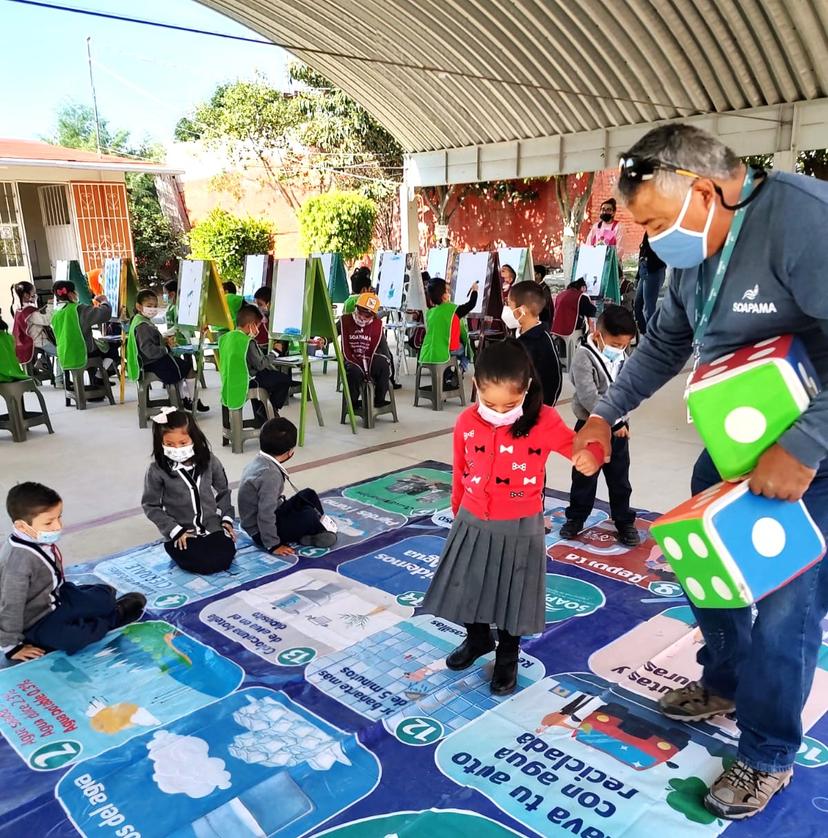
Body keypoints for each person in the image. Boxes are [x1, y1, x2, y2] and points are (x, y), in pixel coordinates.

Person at [574, 123, 828, 819]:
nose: (651, 239)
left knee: (786, 601)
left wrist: (806, 444)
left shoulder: (805, 221)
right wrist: (606, 412)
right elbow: (665, 342)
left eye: (654, 221)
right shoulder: (690, 249)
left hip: (814, 451)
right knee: (700, 554)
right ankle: (724, 678)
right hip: (739, 441)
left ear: (706, 189)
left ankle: (769, 751)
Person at [422, 340, 599, 695]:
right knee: (469, 585)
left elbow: (578, 446)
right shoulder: (466, 422)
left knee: (512, 595)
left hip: (520, 525)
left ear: (527, 390)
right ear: (476, 387)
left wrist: (589, 455)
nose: (499, 411)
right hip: (472, 518)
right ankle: (477, 640)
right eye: (489, 403)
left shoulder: (544, 419)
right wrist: (459, 511)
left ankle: (507, 655)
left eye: (510, 404)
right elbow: (460, 469)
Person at [0, 482, 146, 660]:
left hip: (59, 596)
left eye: (58, 517)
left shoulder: (34, 538)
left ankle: (103, 603)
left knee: (103, 598)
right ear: (22, 527)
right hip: (36, 621)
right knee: (72, 638)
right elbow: (10, 605)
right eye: (48, 522)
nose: (57, 526)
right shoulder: (17, 561)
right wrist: (11, 646)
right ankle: (115, 615)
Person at [561, 305, 638, 547]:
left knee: (619, 478)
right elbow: (588, 396)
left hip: (619, 430)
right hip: (589, 427)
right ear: (598, 334)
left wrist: (621, 422)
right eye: (615, 344)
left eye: (624, 345)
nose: (620, 349)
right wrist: (614, 422)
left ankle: (624, 520)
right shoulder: (584, 356)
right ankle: (576, 518)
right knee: (584, 476)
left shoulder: (624, 356)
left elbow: (627, 390)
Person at [141, 409, 236, 574]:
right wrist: (175, 531)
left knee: (224, 557)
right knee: (202, 562)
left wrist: (226, 519)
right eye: (169, 444)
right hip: (182, 533)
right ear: (160, 443)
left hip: (211, 526)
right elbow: (150, 506)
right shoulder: (156, 470)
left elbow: (223, 491)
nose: (177, 448)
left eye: (183, 443)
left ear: (194, 438)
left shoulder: (210, 461)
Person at [238, 417, 337, 554]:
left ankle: (318, 525)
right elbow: (265, 514)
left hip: (272, 513)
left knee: (308, 494)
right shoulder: (270, 475)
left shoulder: (261, 460)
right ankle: (314, 533)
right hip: (260, 531)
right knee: (307, 515)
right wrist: (273, 545)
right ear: (288, 452)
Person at [126, 289, 208, 412]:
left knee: (181, 367)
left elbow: (149, 341)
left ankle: (183, 398)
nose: (153, 309)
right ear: (138, 306)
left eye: (155, 306)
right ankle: (192, 400)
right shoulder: (143, 325)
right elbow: (149, 350)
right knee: (189, 370)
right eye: (149, 306)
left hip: (150, 362)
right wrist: (166, 348)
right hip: (154, 362)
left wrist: (163, 340)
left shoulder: (138, 320)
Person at [223, 305, 292, 426]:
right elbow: (260, 364)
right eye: (258, 326)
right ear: (251, 325)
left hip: (232, 379)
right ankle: (268, 410)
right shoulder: (247, 341)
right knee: (284, 379)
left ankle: (263, 408)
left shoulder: (228, 338)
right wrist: (275, 352)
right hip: (250, 379)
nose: (258, 330)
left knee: (272, 379)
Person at [503, 280, 562, 405]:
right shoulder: (516, 336)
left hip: (533, 412)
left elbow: (554, 383)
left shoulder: (543, 342)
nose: (506, 310)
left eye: (509, 306)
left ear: (522, 310)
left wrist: (541, 413)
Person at [50, 279, 120, 379]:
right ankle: (100, 376)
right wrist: (104, 301)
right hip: (83, 351)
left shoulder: (56, 312)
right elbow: (104, 314)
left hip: (64, 352)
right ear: (71, 294)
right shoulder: (77, 309)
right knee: (112, 348)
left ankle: (95, 380)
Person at [420, 277, 477, 384]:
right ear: (444, 296)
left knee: (445, 357)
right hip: (449, 348)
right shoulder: (453, 310)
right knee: (467, 352)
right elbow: (471, 304)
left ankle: (448, 376)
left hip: (429, 352)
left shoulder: (430, 313)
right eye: (447, 290)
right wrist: (475, 291)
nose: (449, 292)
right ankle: (460, 370)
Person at [340, 292, 392, 409]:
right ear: (355, 309)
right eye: (360, 313)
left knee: (383, 364)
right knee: (353, 372)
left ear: (373, 316)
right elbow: (332, 332)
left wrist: (388, 360)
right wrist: (323, 340)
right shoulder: (346, 320)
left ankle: (379, 399)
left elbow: (383, 345)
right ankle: (352, 403)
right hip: (352, 358)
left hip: (369, 358)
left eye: (367, 316)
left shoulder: (376, 325)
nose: (362, 318)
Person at [11, 281, 62, 385]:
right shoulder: (29, 311)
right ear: (26, 295)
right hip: (38, 342)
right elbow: (47, 320)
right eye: (33, 293)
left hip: (27, 341)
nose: (36, 295)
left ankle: (42, 362)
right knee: (62, 353)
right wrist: (51, 305)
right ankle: (59, 379)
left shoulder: (19, 309)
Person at [634, 232, 667, 333]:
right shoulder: (648, 231)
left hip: (654, 270)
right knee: (637, 304)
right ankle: (645, 332)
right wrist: (638, 276)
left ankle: (652, 335)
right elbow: (643, 252)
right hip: (644, 270)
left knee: (649, 308)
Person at [533, 264, 554, 328]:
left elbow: (543, 305)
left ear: (539, 275)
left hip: (543, 320)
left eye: (533, 272)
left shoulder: (545, 288)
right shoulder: (534, 286)